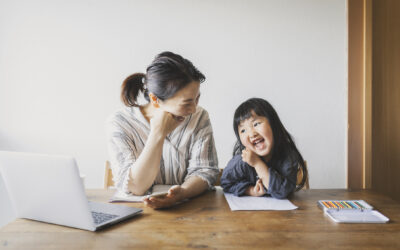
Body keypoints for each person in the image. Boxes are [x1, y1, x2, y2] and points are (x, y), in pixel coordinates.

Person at [106, 51, 219, 209]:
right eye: (186, 103)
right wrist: (157, 133)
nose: (194, 109)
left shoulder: (199, 117)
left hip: (188, 210)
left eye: (197, 98)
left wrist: (183, 193)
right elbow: (136, 187)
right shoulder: (120, 123)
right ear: (155, 99)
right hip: (135, 214)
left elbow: (205, 170)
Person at [220, 98, 308, 199]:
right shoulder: (242, 161)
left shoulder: (288, 156)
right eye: (243, 130)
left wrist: (257, 163)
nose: (252, 134)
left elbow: (282, 192)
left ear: (273, 124)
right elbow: (226, 183)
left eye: (256, 124)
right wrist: (250, 190)